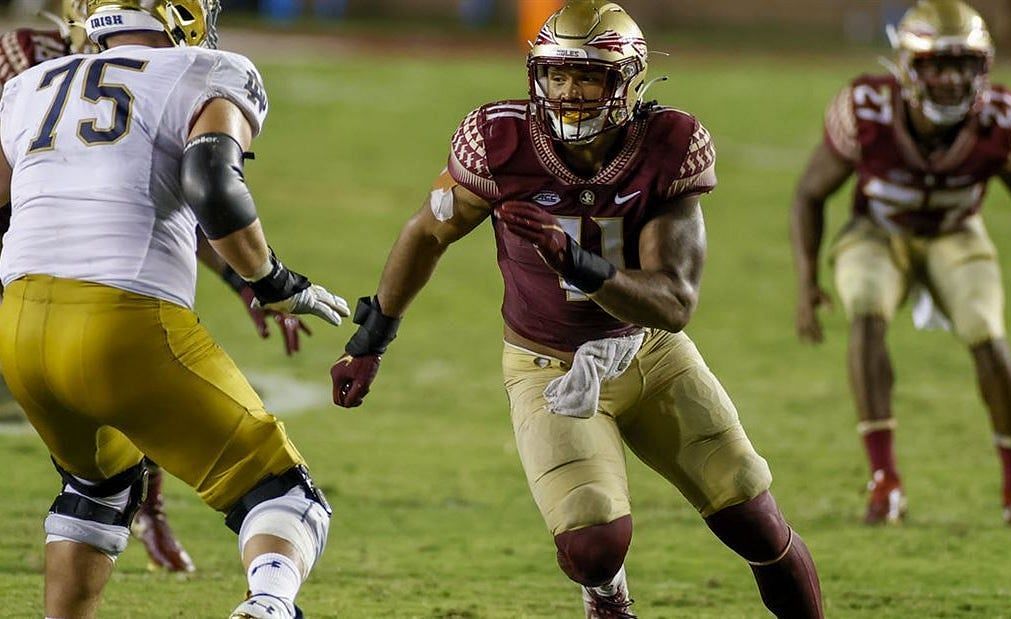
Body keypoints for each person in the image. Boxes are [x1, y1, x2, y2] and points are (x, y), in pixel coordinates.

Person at [330, 2, 823, 616]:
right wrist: (370, 339)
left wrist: (575, 261)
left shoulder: (668, 145)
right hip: (547, 367)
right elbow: (427, 232)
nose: (569, 93)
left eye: (590, 76)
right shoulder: (501, 141)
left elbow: (673, 303)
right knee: (593, 542)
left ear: (629, 81)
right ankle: (606, 593)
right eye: (556, 75)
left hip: (649, 352)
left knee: (754, 516)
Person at [0, 1, 349, 617]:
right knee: (283, 495)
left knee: (95, 488)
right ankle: (268, 605)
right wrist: (270, 281)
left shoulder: (30, 85)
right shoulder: (207, 69)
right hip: (125, 322)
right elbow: (213, 183)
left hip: (21, 328)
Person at [790, 0, 1011, 528]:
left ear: (983, 68)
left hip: (955, 233)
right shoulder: (867, 109)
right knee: (866, 314)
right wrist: (806, 283)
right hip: (878, 232)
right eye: (939, 65)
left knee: (988, 334)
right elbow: (809, 193)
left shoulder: (1000, 119)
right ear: (908, 67)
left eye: (964, 65)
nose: (951, 79)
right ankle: (885, 482)